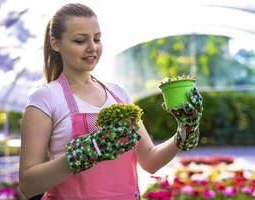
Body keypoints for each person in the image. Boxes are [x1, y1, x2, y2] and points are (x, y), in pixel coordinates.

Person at [19, 3, 203, 200]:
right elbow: (28, 185)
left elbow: (149, 159)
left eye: (97, 39)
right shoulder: (46, 98)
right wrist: (88, 151)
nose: (92, 47)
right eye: (80, 40)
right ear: (55, 44)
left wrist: (186, 130)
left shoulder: (119, 94)